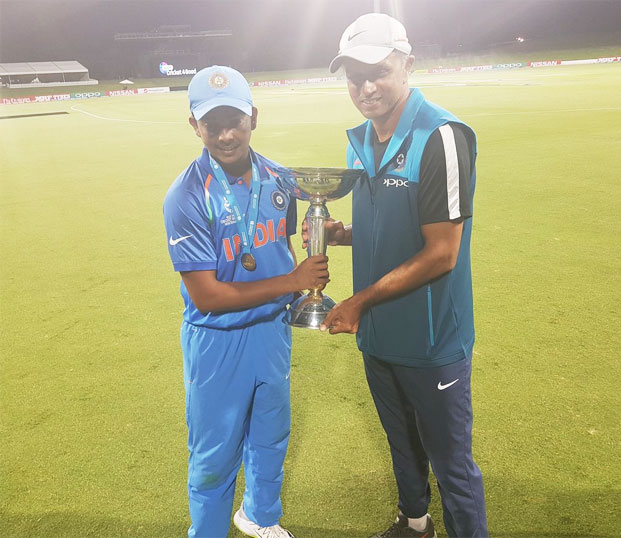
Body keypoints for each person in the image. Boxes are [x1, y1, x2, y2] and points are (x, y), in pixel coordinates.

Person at [312, 13, 489, 538]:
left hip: (432, 340)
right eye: (353, 76)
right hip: (379, 334)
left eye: (379, 72)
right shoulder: (359, 140)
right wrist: (337, 232)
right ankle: (415, 524)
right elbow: (383, 225)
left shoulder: (442, 136)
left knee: (452, 462)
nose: (366, 87)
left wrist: (360, 301)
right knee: (399, 441)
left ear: (408, 65)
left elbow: (442, 252)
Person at [164, 65, 329, 538]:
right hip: (218, 343)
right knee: (215, 456)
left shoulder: (280, 178)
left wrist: (322, 241)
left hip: (272, 332)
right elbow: (208, 296)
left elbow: (287, 242)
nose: (226, 134)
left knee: (271, 437)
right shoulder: (187, 196)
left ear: (253, 116)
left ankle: (259, 517)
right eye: (212, 124)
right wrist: (291, 281)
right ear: (194, 125)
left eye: (234, 119)